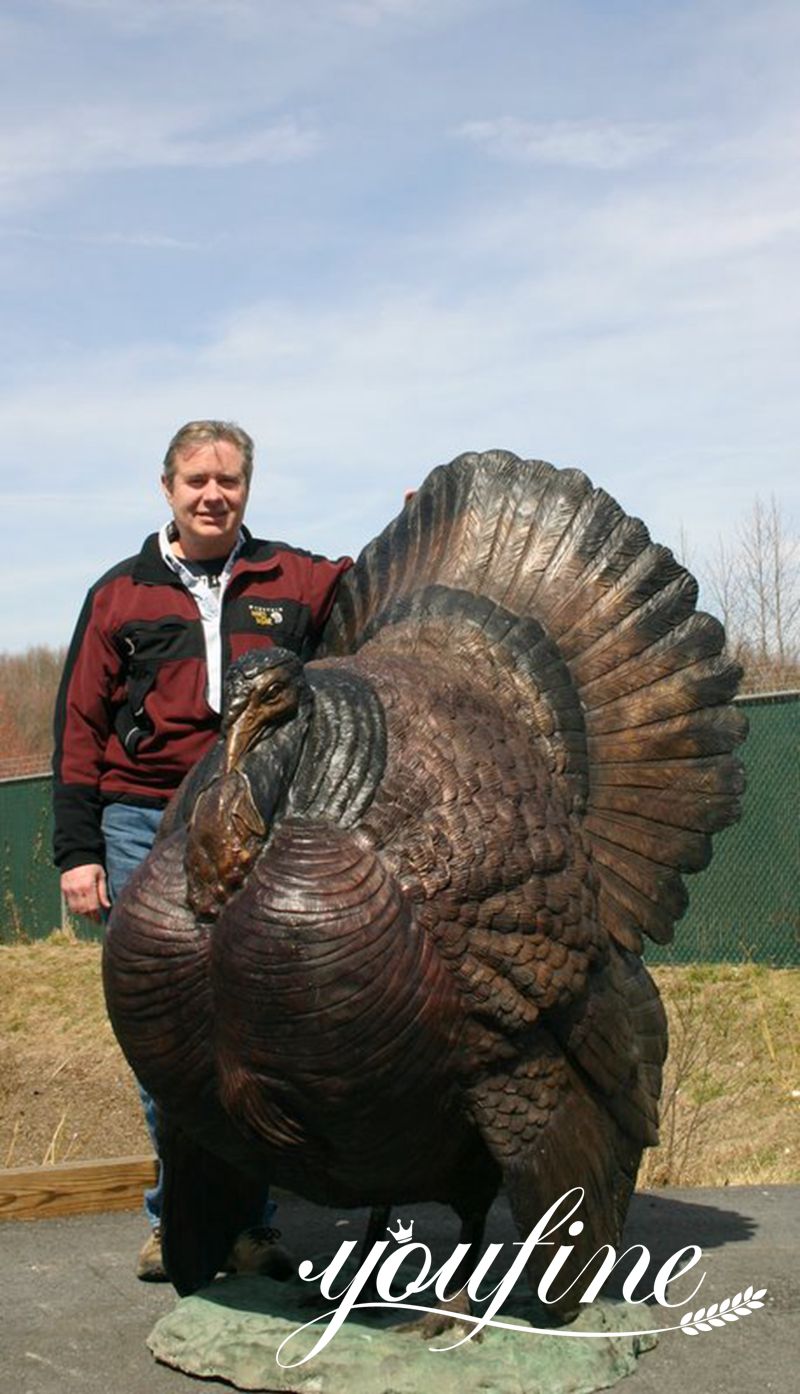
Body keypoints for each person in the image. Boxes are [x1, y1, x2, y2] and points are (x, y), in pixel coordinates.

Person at [53, 420, 352, 1279]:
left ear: (247, 488)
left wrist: (418, 526)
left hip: (259, 820)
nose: (213, 494)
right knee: (165, 1035)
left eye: (228, 480)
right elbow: (78, 726)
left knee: (256, 1027)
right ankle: (175, 1217)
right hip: (143, 823)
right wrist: (79, 853)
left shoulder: (292, 579)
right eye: (196, 481)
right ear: (168, 488)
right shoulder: (120, 595)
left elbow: (377, 587)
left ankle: (250, 1225)